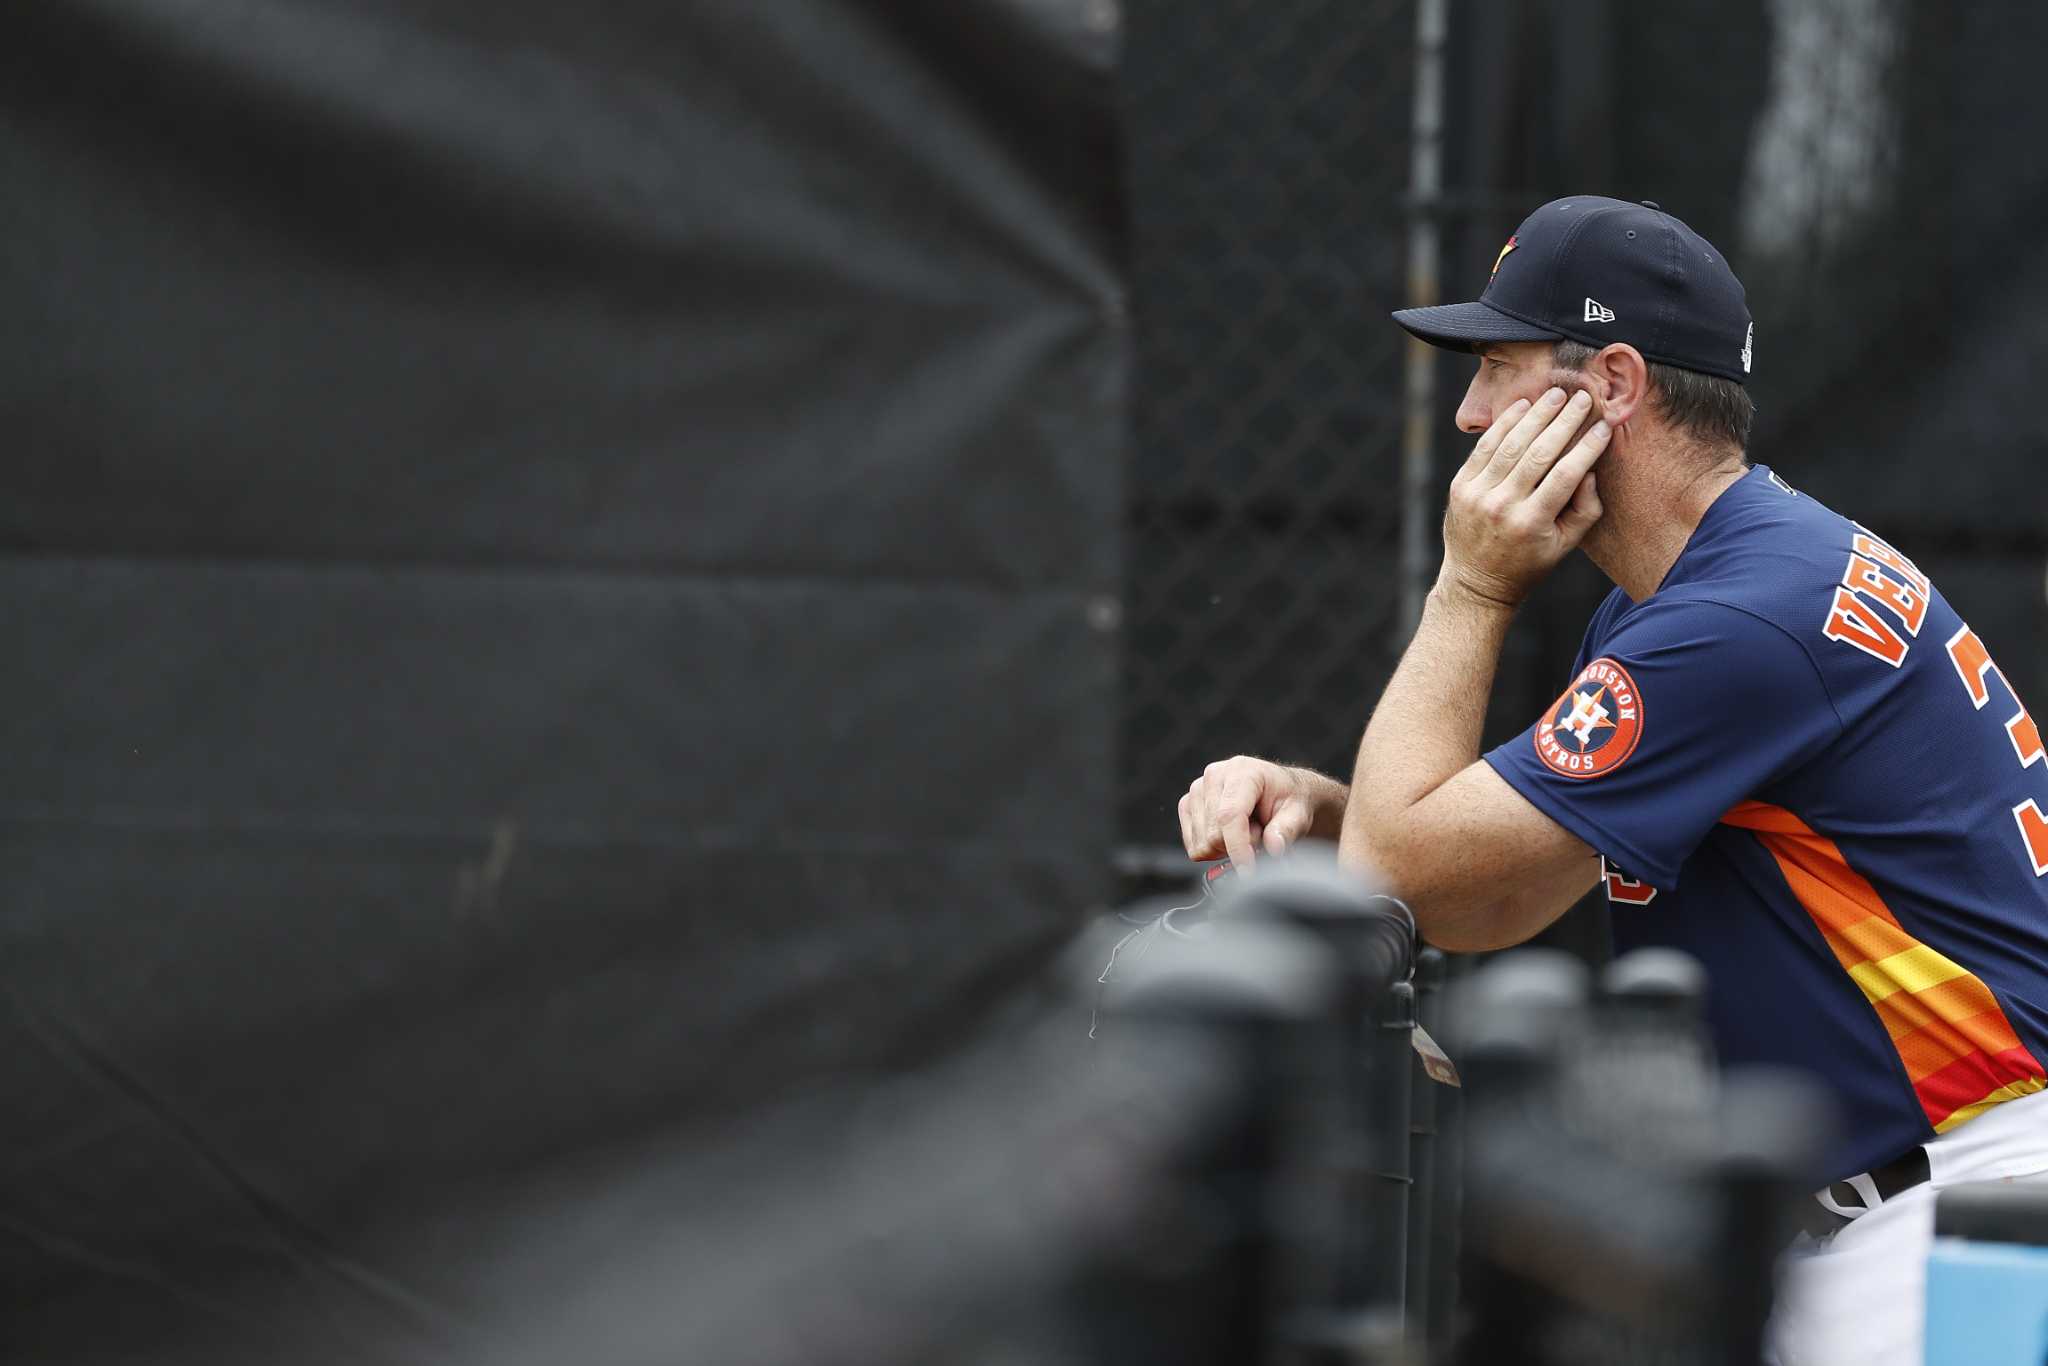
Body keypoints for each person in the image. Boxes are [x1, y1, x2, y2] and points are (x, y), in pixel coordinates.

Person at [1174, 195, 2048, 1365]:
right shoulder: (1728, 580)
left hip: (1959, 1213)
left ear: (1613, 384)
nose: (1469, 412)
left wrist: (1469, 589)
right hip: (1911, 1202)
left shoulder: (1739, 620)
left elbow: (1428, 886)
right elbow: (1495, 871)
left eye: (1495, 366)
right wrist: (1324, 809)